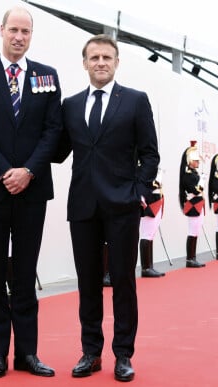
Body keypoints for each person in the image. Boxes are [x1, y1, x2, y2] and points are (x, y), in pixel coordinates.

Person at [0, 6, 61, 379]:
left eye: (26, 31)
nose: (19, 37)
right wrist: (6, 172)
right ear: (1, 31)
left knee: (25, 274)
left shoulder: (47, 77)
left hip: (33, 192)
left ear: (31, 35)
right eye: (13, 30)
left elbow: (53, 130)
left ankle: (27, 354)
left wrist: (29, 171)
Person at [55, 34, 159, 382]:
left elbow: (150, 153)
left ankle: (124, 355)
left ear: (116, 63)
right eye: (94, 57)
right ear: (84, 63)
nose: (101, 62)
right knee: (87, 283)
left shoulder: (134, 101)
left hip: (123, 205)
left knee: (124, 282)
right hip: (83, 204)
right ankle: (91, 352)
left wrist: (140, 192)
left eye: (107, 57)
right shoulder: (69, 105)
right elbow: (57, 150)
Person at [179, 141, 206, 268]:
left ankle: (193, 257)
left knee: (196, 231)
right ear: (190, 161)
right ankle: (190, 259)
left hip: (197, 203)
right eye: (196, 161)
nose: (198, 162)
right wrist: (203, 182)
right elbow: (195, 190)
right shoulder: (187, 175)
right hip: (193, 203)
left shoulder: (194, 173)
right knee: (192, 231)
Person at [139, 168, 166, 277]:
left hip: (156, 201)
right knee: (146, 235)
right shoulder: (141, 169)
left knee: (150, 235)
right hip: (149, 203)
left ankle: (149, 266)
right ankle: (145, 268)